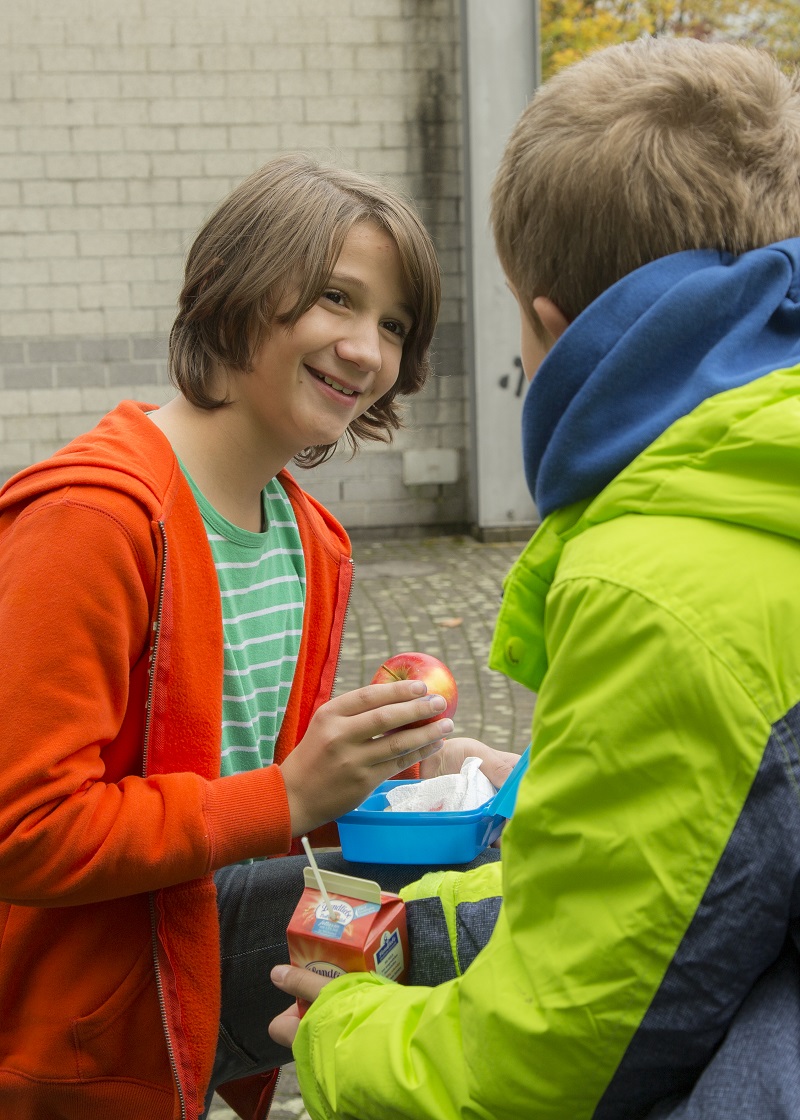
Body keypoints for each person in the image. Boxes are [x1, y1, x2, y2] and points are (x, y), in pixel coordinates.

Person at [269, 37, 800, 1119]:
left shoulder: (652, 580)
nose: (364, 351)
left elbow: (558, 1052)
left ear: (546, 324)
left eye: (396, 324)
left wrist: (342, 1033)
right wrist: (439, 922)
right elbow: (701, 875)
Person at [0, 153, 514, 1120]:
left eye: (394, 325)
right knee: (478, 924)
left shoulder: (310, 541)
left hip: (196, 1010)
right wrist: (288, 795)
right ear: (238, 290)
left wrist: (402, 777)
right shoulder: (95, 519)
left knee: (494, 873)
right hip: (79, 1034)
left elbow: (248, 792)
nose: (365, 349)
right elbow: (22, 830)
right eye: (336, 298)